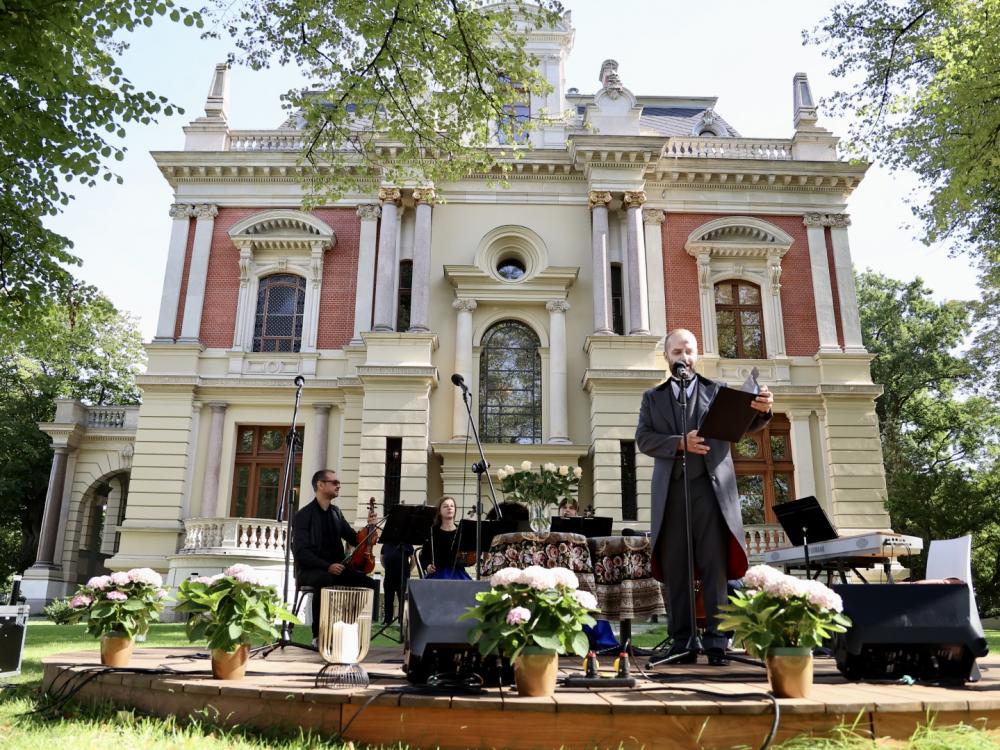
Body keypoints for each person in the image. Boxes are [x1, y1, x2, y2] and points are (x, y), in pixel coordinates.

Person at [635, 329, 773, 666]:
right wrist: (679, 443)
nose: (684, 357)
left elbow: (745, 423)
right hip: (671, 494)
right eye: (677, 352)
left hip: (712, 492)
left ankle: (716, 642)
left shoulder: (717, 391)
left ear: (697, 354)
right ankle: (682, 640)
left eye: (689, 351)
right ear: (666, 357)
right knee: (676, 567)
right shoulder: (652, 398)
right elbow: (644, 439)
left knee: (715, 567)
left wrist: (763, 410)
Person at [292, 469, 380, 644]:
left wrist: (369, 529)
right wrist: (327, 566)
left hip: (337, 568)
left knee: (368, 583)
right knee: (325, 579)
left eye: (338, 482)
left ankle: (346, 626)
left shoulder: (336, 513)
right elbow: (301, 552)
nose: (338, 485)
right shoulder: (303, 515)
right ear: (320, 485)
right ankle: (318, 636)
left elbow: (355, 539)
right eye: (334, 482)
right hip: (311, 570)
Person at [418, 496, 472, 580]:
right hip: (438, 573)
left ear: (455, 510)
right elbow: (424, 555)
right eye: (445, 506)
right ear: (439, 511)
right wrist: (428, 566)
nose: (449, 508)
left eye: (452, 506)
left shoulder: (461, 531)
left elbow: (468, 557)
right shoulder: (432, 531)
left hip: (458, 573)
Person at [380, 539, 413, 625]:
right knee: (388, 599)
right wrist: (387, 568)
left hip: (402, 577)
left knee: (402, 599)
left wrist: (408, 571)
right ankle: (387, 620)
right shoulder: (386, 544)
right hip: (389, 576)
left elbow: (413, 559)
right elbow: (382, 558)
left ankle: (401, 621)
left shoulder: (407, 544)